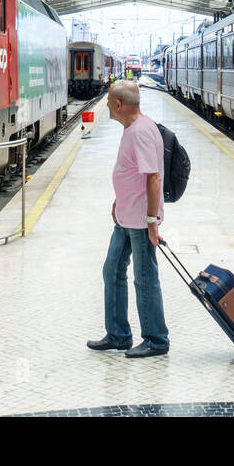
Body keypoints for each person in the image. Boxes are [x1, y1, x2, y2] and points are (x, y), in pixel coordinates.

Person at [87, 80, 169, 357]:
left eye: (109, 102)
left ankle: (156, 340)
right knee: (112, 271)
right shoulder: (132, 128)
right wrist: (118, 198)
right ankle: (118, 334)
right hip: (126, 215)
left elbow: (154, 177)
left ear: (119, 105)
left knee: (145, 278)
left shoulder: (142, 132)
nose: (107, 106)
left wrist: (152, 221)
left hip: (140, 220)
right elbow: (132, 173)